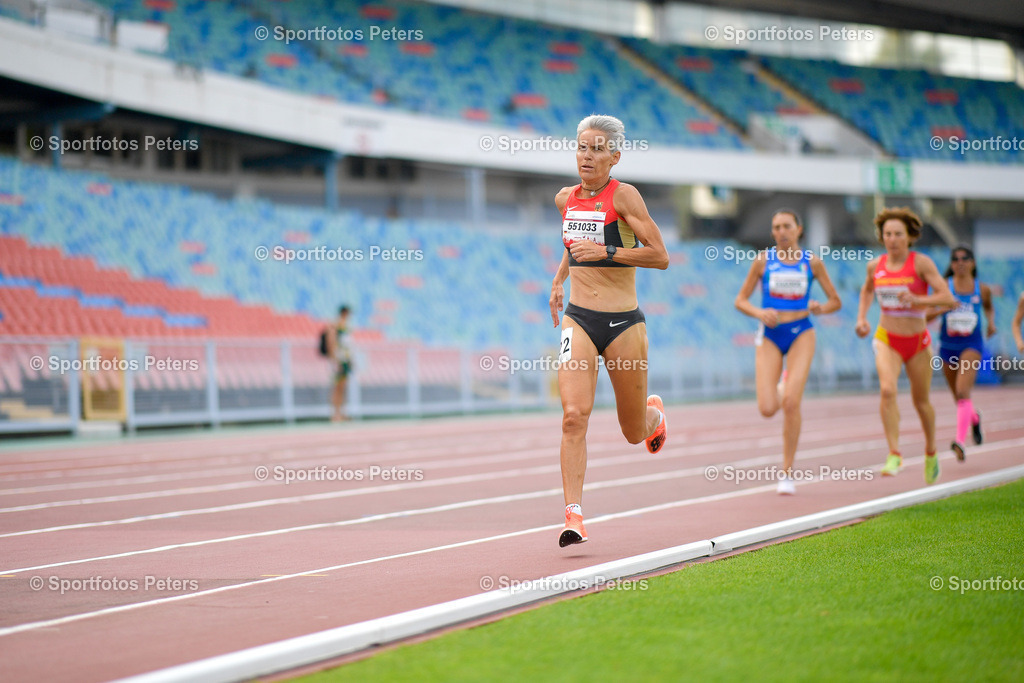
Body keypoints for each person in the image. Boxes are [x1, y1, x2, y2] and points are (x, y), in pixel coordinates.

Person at [550, 114, 669, 548]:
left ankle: (654, 416)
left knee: (633, 432)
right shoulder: (565, 198)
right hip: (578, 319)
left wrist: (608, 251)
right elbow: (573, 247)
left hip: (623, 324)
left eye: (597, 149)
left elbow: (660, 256)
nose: (587, 155)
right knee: (572, 416)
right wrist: (559, 280)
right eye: (582, 147)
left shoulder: (625, 197)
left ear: (615, 156)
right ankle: (574, 516)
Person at [734, 209, 841, 495]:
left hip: (802, 332)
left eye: (786, 226)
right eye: (776, 227)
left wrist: (820, 308)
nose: (781, 231)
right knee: (768, 408)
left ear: (798, 229)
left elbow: (835, 301)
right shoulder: (763, 261)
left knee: (792, 403)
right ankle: (782, 386)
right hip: (770, 334)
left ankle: (787, 473)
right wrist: (759, 312)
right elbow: (740, 300)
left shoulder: (812, 262)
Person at [855, 208, 956, 484]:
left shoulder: (921, 263)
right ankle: (894, 453)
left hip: (917, 342)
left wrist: (918, 300)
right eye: (887, 234)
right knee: (887, 390)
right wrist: (862, 318)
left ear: (909, 236)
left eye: (898, 234)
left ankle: (931, 450)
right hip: (887, 338)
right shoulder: (875, 266)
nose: (892, 239)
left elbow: (947, 297)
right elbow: (867, 290)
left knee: (921, 402)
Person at [926, 246, 995, 461]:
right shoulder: (943, 288)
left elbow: (989, 307)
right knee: (959, 398)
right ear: (951, 264)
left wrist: (991, 323)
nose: (960, 262)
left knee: (963, 391)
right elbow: (926, 316)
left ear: (973, 263)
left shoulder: (982, 289)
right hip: (948, 347)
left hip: (971, 346)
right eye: (955, 259)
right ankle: (974, 418)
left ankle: (960, 442)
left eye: (965, 258)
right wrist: (943, 308)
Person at [328, 305, 353, 422]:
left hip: (345, 359)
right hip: (339, 359)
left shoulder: (346, 326)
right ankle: (335, 414)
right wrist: (334, 358)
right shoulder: (335, 325)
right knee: (337, 387)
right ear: (344, 313)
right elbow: (331, 341)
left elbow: (347, 345)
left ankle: (342, 413)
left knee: (343, 387)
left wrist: (350, 359)